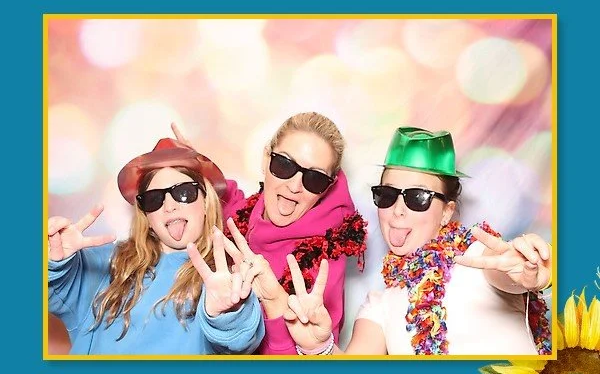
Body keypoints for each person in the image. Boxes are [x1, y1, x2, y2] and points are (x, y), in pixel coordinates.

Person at [281, 128, 552, 358]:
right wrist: (318, 346)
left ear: (447, 212)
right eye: (386, 195)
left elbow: (505, 273)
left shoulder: (478, 256)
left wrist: (527, 273)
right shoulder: (379, 304)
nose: (397, 210)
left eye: (417, 197)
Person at [172, 112, 367, 355]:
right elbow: (230, 202)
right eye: (284, 165)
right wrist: (198, 169)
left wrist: (274, 299)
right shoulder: (248, 213)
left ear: (326, 188)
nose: (294, 186)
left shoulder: (323, 257)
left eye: (315, 179)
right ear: (266, 159)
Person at [47, 138, 264, 356]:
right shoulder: (109, 264)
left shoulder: (225, 276)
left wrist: (231, 312)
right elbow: (53, 289)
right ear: (146, 216)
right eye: (154, 199)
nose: (170, 206)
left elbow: (240, 340)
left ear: (206, 202)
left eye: (184, 192)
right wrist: (57, 263)